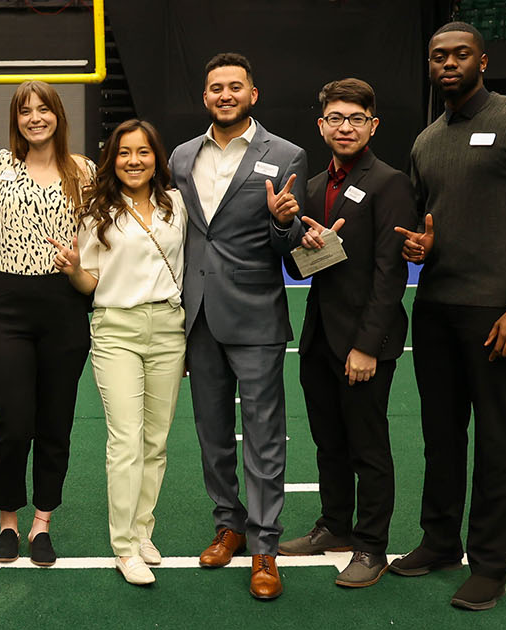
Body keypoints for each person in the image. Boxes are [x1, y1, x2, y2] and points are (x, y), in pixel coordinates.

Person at [389, 22, 506, 611]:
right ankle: (439, 541)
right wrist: (419, 247)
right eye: (439, 56)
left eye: (460, 54)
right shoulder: (426, 140)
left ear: (482, 60)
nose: (449, 64)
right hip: (435, 309)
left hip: (495, 312)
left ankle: (490, 565)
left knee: (495, 439)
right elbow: (426, 222)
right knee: (441, 434)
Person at [168, 52, 307, 600]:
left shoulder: (287, 154)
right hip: (196, 314)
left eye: (235, 87)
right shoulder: (181, 157)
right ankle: (227, 524)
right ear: (205, 97)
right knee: (211, 433)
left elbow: (287, 244)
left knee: (264, 436)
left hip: (255, 314)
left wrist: (283, 223)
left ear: (254, 94)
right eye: (215, 88)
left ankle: (265, 545)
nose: (225, 95)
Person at [278, 78, 413, 589]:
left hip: (362, 343)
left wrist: (366, 345)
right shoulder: (312, 186)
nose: (345, 127)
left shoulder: (389, 182)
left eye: (356, 118)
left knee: (368, 447)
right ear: (321, 126)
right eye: (336, 118)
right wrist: (301, 240)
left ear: (373, 125)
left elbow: (389, 273)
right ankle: (334, 526)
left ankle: (371, 546)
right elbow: (299, 271)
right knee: (328, 442)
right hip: (318, 339)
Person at [0, 80, 94, 567]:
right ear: (15, 120)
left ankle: (42, 523)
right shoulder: (2, 168)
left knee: (55, 423)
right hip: (7, 305)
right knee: (14, 423)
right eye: (25, 111)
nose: (35, 117)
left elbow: (100, 243)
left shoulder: (85, 172)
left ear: (58, 114)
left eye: (43, 109)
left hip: (63, 307)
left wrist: (82, 272)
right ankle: (8, 521)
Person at [49, 119, 186, 586]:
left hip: (169, 328)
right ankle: (124, 547)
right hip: (116, 329)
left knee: (156, 440)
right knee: (125, 440)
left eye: (143, 152)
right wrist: (72, 270)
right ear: (113, 159)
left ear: (156, 158)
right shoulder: (97, 210)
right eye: (125, 153)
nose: (134, 161)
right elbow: (90, 280)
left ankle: (143, 530)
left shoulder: (176, 205)